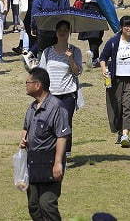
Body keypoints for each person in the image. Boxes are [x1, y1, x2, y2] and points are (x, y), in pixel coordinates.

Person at [20, 66, 69, 221]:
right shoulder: (32, 107)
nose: (25, 85)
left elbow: (62, 136)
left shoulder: (56, 107)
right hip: (33, 162)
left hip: (49, 162)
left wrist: (58, 163)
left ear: (38, 85)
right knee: (33, 205)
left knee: (47, 203)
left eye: (28, 82)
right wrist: (23, 140)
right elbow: (25, 128)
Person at [100, 15, 130, 148]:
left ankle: (126, 134)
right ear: (121, 27)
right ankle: (120, 131)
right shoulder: (114, 42)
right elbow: (103, 57)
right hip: (115, 79)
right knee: (116, 106)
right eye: (127, 26)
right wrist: (104, 69)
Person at [40, 20, 83, 160]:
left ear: (69, 32)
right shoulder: (47, 52)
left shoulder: (75, 51)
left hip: (68, 94)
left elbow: (77, 72)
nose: (63, 32)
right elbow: (42, 74)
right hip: (52, 94)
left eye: (66, 29)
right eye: (60, 29)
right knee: (50, 124)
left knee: (65, 123)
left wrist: (70, 59)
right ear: (56, 32)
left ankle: (66, 154)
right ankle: (52, 152)